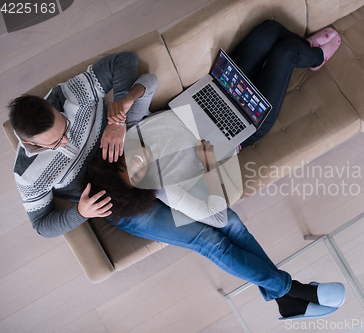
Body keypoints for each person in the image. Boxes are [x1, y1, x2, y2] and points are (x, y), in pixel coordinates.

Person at [85, 20, 345, 320]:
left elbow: (150, 80)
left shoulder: (130, 133)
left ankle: (287, 299)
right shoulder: (173, 191)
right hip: (237, 132)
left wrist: (124, 106)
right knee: (286, 52)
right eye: (137, 175)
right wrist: (208, 164)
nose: (137, 162)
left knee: (269, 30)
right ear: (142, 189)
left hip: (213, 94)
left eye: (124, 161)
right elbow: (221, 216)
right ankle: (316, 57)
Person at [8, 52, 152, 237]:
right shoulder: (28, 176)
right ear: (29, 142)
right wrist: (80, 213)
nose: (66, 140)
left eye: (65, 127)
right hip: (113, 203)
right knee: (198, 237)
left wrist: (118, 121)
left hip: (137, 158)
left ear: (52, 106)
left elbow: (124, 59)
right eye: (55, 142)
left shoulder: (72, 95)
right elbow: (42, 226)